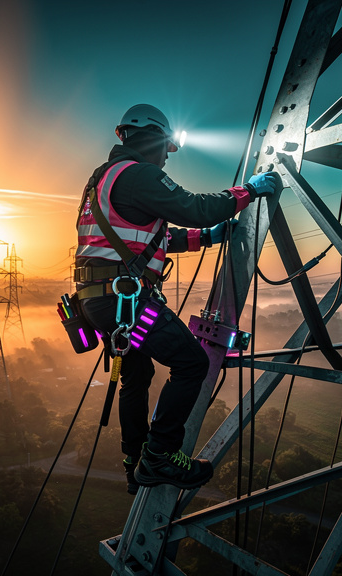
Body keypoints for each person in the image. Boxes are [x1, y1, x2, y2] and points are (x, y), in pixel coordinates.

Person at [74, 103, 283, 493]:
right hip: (126, 302)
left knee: (136, 377)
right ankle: (160, 457)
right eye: (167, 149)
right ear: (156, 140)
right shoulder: (139, 175)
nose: (167, 159)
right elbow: (194, 207)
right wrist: (247, 191)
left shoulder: (101, 180)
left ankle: (135, 462)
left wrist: (204, 238)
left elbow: (148, 239)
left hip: (99, 302)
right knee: (191, 363)